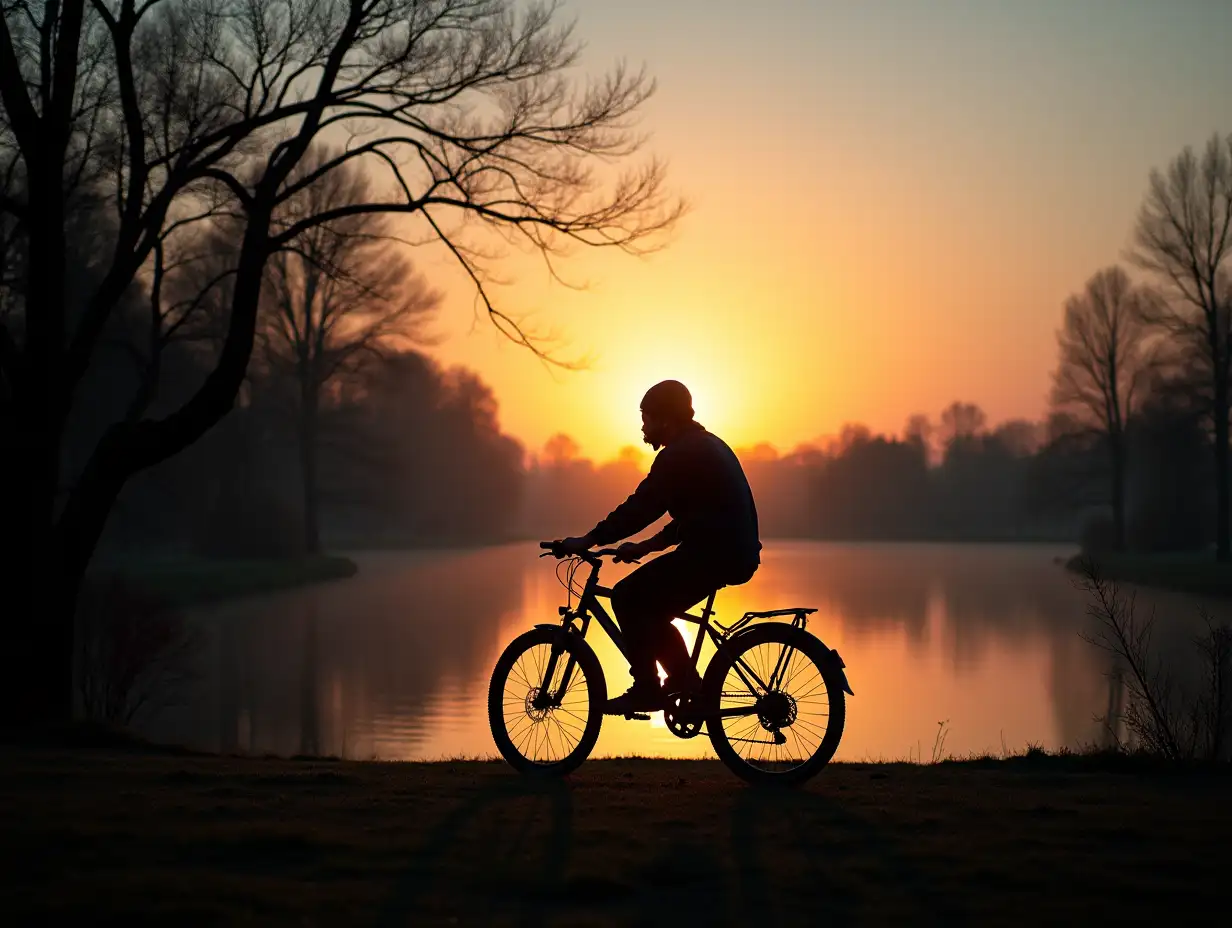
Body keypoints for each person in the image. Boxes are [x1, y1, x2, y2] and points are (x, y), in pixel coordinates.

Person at [553, 380, 762, 714]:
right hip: (726, 550)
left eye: (646, 417)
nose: (643, 426)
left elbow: (642, 507)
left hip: (715, 554)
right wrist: (647, 546)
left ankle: (650, 688)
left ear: (665, 419)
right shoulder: (704, 446)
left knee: (627, 597)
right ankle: (683, 681)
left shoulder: (679, 455)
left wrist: (589, 539)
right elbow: (697, 516)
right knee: (652, 610)